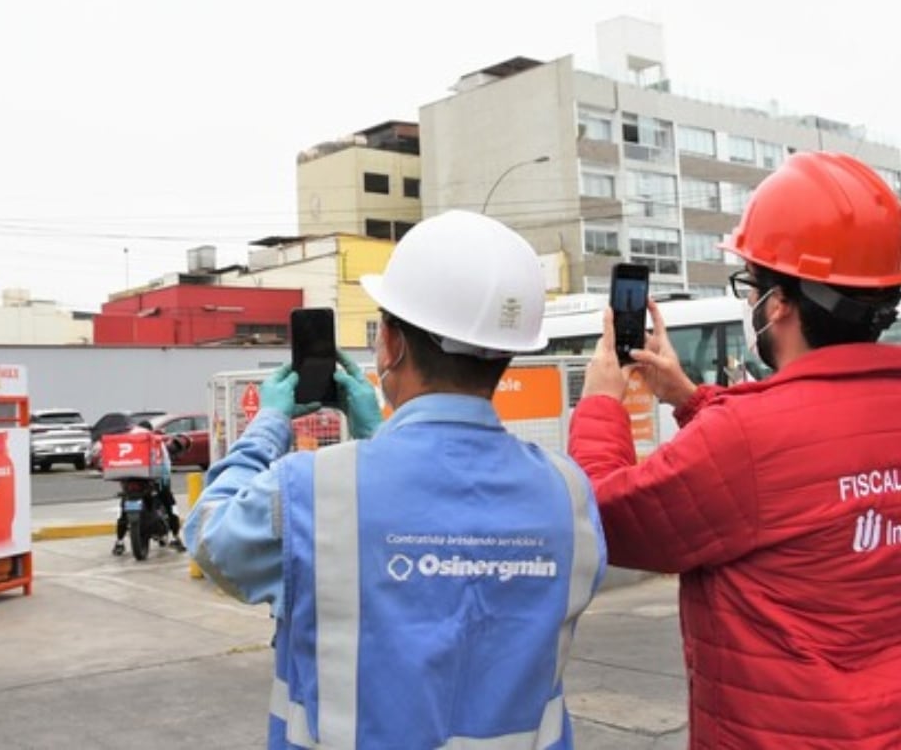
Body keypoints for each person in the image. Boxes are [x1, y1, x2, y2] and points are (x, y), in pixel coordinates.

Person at [186, 210, 607, 749]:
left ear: (391, 345)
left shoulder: (310, 491)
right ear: (507, 352)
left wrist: (267, 426)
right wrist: (376, 431)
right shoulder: (569, 496)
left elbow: (211, 536)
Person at [568, 151, 901, 749]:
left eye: (750, 282)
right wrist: (691, 399)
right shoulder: (751, 435)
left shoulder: (747, 438)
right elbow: (789, 483)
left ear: (777, 304)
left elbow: (605, 517)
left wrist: (600, 405)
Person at [112, 421, 185, 555]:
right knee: (171, 505)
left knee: (122, 510)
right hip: (150, 482)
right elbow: (165, 463)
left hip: (128, 480)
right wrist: (164, 479)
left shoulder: (126, 441)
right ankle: (176, 537)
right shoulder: (154, 441)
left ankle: (119, 542)